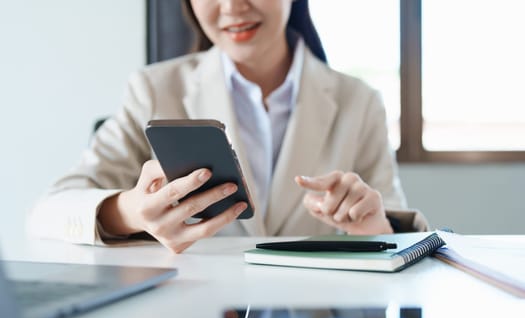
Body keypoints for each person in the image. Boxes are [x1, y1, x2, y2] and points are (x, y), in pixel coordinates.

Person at [27, 0, 427, 253]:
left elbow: (401, 240)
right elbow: (49, 211)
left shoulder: (359, 102)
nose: (233, 6)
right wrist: (131, 212)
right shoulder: (153, 89)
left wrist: (373, 228)